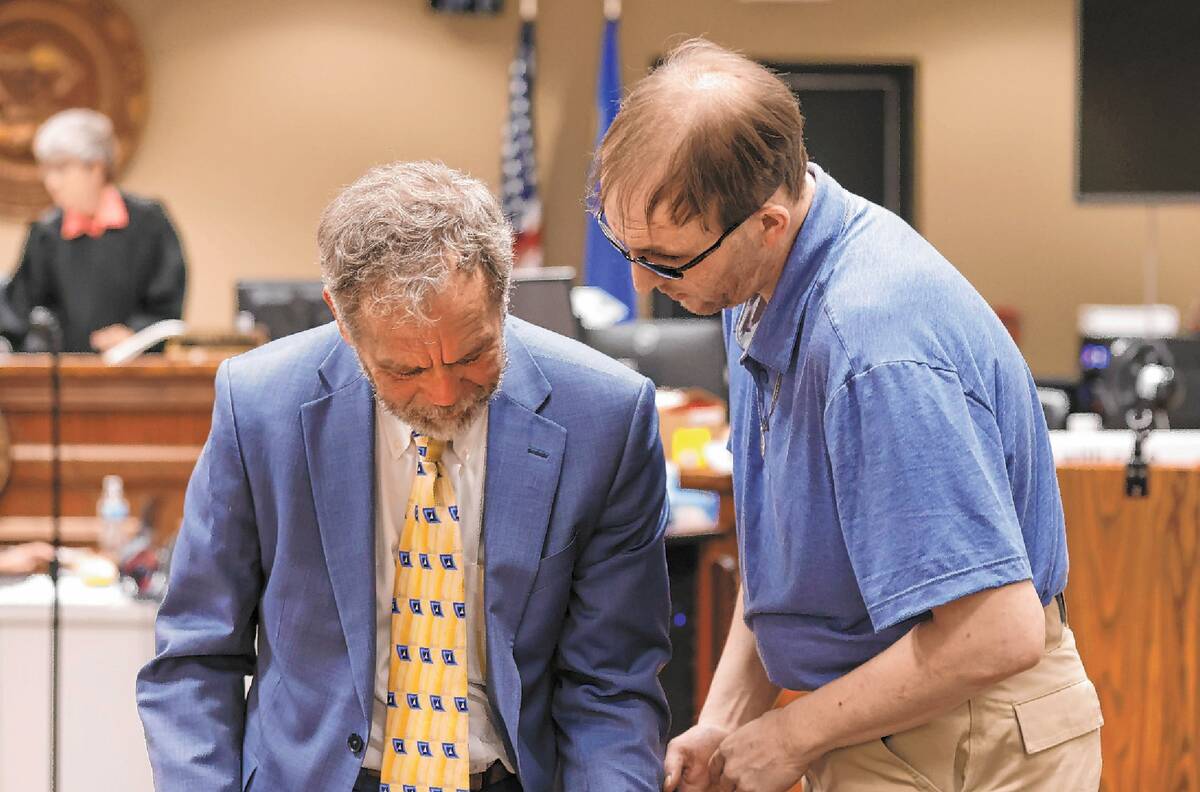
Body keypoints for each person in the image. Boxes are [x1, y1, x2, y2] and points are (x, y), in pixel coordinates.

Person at [591, 39, 1102, 792]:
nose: (641, 281)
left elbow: (997, 631)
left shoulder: (871, 349)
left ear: (766, 222)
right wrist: (727, 720)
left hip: (967, 730)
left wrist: (792, 733)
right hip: (884, 709)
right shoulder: (754, 287)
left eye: (667, 259)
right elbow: (789, 566)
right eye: (624, 246)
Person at [136, 161, 671, 792]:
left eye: (473, 355)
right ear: (341, 317)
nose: (444, 393)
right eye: (404, 370)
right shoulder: (260, 407)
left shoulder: (605, 416)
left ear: (503, 296)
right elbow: (196, 656)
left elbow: (612, 685)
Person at [1, 108, 186, 353]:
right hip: (64, 378)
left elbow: (166, 305)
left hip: (135, 375)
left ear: (95, 168)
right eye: (46, 169)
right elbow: (21, 312)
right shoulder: (46, 233)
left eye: (62, 168)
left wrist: (133, 333)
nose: (51, 182)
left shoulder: (149, 222)